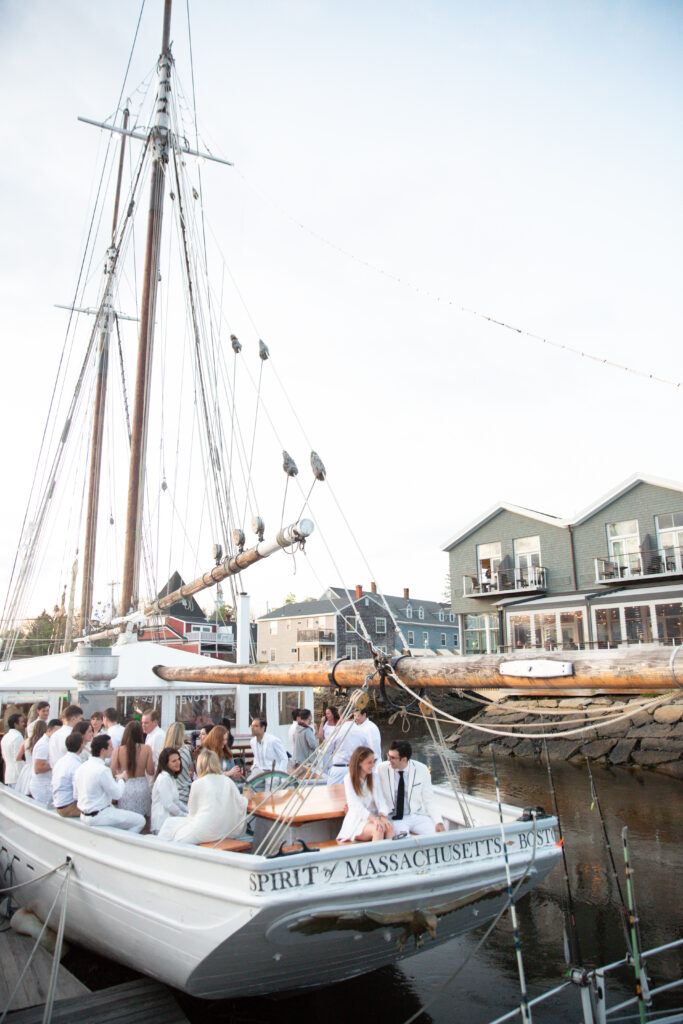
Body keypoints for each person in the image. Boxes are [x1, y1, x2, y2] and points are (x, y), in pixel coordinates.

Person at [158, 749, 247, 845]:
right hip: (224, 828)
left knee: (172, 831)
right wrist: (246, 797)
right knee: (170, 823)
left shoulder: (198, 783)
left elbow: (192, 811)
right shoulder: (227, 781)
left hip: (204, 830)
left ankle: (160, 851)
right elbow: (241, 803)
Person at [73, 734, 145, 832]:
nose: (113, 748)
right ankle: (122, 846)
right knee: (140, 820)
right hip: (100, 815)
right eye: (110, 746)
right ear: (103, 751)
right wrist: (122, 779)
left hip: (84, 815)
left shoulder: (81, 768)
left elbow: (76, 796)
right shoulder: (102, 770)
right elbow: (117, 795)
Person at [375, 740, 445, 836]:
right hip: (394, 817)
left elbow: (429, 800)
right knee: (404, 839)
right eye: (388, 756)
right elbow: (377, 796)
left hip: (416, 815)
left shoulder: (422, 769)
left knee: (437, 836)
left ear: (404, 759)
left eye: (392, 758)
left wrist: (438, 821)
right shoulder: (381, 769)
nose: (388, 760)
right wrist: (382, 816)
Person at [337, 746, 394, 843]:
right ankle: (376, 857)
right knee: (378, 829)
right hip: (357, 821)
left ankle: (392, 855)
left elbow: (381, 800)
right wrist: (374, 820)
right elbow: (355, 805)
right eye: (369, 762)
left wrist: (383, 817)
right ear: (359, 763)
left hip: (374, 818)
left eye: (373, 762)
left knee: (390, 827)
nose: (372, 765)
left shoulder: (374, 778)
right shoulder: (349, 779)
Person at [110, 720, 153, 820]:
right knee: (143, 819)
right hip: (142, 785)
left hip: (125, 786)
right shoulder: (146, 749)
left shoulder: (119, 750)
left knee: (126, 819)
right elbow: (151, 771)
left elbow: (112, 772)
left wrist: (120, 775)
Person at [151, 747, 188, 833]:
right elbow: (168, 804)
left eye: (178, 759)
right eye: (174, 761)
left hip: (169, 822)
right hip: (161, 823)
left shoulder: (170, 777)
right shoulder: (163, 778)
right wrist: (184, 815)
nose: (178, 762)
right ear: (166, 764)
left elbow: (176, 801)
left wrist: (188, 810)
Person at [51, 731, 86, 817]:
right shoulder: (77, 765)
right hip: (68, 807)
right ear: (81, 745)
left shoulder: (60, 761)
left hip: (58, 803)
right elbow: (78, 793)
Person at [325, 717, 368, 785]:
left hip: (339, 769)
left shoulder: (337, 730)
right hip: (356, 769)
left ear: (341, 716)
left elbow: (327, 750)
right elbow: (366, 751)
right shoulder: (361, 731)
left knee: (333, 793)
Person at [30, 719, 62, 804]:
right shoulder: (44, 745)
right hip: (42, 787)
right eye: (56, 732)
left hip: (47, 785)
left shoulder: (50, 743)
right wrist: (55, 764)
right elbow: (38, 768)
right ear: (49, 730)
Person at [248, 718, 288, 783]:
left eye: (256, 726)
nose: (252, 728)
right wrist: (254, 767)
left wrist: (279, 774)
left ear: (263, 728)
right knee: (247, 785)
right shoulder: (252, 742)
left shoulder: (273, 740)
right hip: (259, 770)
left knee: (270, 785)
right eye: (251, 726)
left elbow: (284, 758)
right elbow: (256, 757)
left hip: (273, 771)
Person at [163, 722, 193, 805]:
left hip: (170, 793)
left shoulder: (164, 754)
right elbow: (192, 769)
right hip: (186, 792)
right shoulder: (187, 750)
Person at [16, 720, 48, 797]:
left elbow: (18, 758)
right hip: (37, 769)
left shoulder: (26, 741)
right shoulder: (43, 743)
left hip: (27, 769)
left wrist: (24, 765)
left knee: (24, 792)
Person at [2, 713, 26, 787]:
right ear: (15, 724)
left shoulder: (5, 737)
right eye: (21, 722)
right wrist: (22, 776)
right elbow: (18, 758)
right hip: (16, 775)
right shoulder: (18, 737)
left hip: (9, 774)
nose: (23, 724)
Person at [317, 705, 340, 772]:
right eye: (326, 714)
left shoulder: (339, 723)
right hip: (327, 751)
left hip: (335, 751)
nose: (326, 715)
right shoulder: (326, 723)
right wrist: (321, 722)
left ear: (333, 713)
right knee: (326, 769)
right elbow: (321, 736)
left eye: (328, 713)